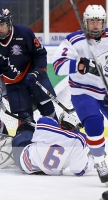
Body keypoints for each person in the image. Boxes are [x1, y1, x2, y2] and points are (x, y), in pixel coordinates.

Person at [53, 5, 108, 183]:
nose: (95, 25)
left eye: (98, 21)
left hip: (105, 91)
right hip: (83, 91)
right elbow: (57, 66)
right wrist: (80, 65)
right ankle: (100, 162)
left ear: (104, 22)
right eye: (91, 21)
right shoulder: (75, 40)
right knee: (93, 124)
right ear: (85, 22)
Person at [0, 8, 58, 129]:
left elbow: (40, 54)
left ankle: (56, 133)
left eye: (2, 24)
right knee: (25, 118)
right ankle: (27, 141)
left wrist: (38, 71)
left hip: (33, 76)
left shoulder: (24, 33)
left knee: (47, 109)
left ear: (9, 23)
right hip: (13, 83)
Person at [12, 112, 95, 177]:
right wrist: (91, 159)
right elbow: (78, 170)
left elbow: (34, 139)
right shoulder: (80, 139)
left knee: (26, 135)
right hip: (52, 172)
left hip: (26, 164)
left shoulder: (45, 122)